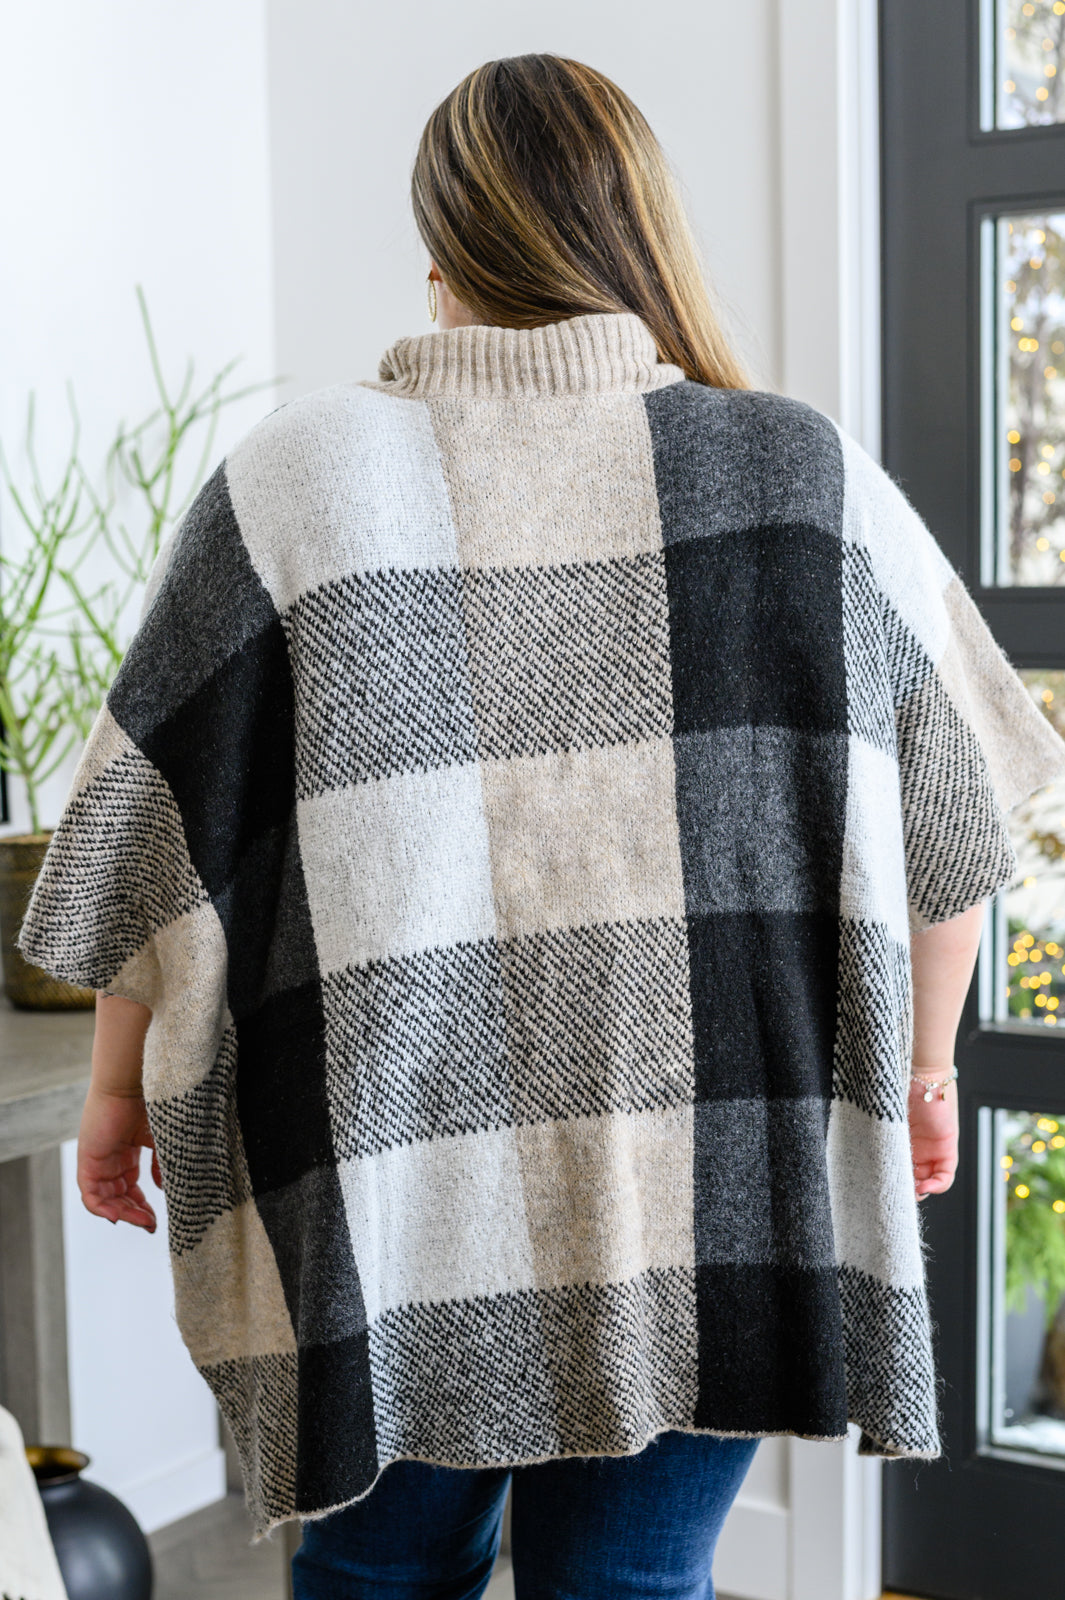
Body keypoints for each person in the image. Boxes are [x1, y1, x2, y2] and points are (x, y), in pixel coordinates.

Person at [18, 52, 1065, 1600]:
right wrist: (922, 1067)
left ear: (441, 250)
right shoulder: (797, 472)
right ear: (640, 226)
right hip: (716, 1175)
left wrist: (116, 1092)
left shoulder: (295, 480)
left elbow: (150, 844)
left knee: (382, 1576)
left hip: (391, 1186)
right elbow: (952, 822)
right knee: (630, 1583)